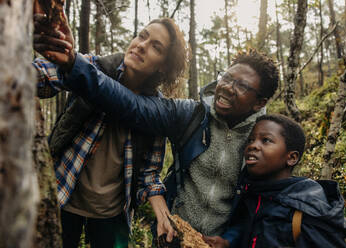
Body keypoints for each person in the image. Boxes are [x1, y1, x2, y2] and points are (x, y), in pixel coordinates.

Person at [37, 29, 280, 245]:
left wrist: (231, 239)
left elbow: (258, 202)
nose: (227, 87)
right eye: (226, 77)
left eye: (242, 86)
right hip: (68, 198)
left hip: (119, 216)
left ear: (260, 103)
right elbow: (130, 105)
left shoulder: (262, 140)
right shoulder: (188, 114)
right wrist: (71, 64)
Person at [33, 10, 188, 248]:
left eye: (156, 47)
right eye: (142, 36)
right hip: (63, 195)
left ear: (164, 68)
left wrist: (162, 213)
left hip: (112, 215)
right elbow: (47, 75)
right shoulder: (95, 66)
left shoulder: (156, 112)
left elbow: (149, 172)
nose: (141, 46)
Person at [203, 114, 346, 248]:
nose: (253, 146)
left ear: (291, 158)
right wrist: (228, 242)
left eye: (266, 140)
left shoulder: (306, 212)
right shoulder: (252, 193)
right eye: (250, 140)